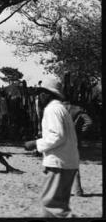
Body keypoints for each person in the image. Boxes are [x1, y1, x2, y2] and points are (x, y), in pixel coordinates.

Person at [24, 78, 79, 218]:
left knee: (51, 205)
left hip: (58, 163)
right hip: (67, 162)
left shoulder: (52, 110)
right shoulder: (60, 109)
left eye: (41, 93)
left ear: (48, 94)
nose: (39, 97)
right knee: (56, 206)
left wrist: (36, 144)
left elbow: (57, 136)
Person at [63, 102, 93, 197]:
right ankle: (78, 190)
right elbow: (89, 122)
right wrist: (79, 134)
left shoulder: (57, 109)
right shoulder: (78, 109)